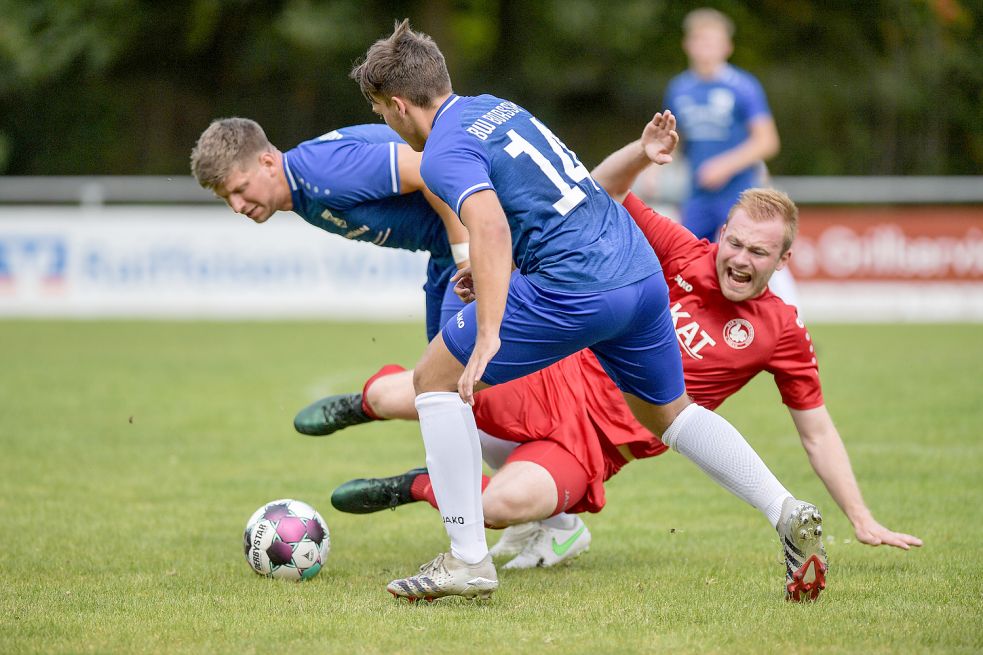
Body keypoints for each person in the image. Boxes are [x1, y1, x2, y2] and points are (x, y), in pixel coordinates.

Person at [321, 118, 921, 596]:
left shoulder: (782, 332)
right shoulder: (681, 252)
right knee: (400, 394)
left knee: (493, 507)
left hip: (594, 446)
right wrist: (641, 151)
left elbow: (816, 432)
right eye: (733, 242)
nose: (738, 258)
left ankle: (423, 486)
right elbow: (596, 194)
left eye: (757, 253)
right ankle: (363, 404)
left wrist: (861, 518)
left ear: (782, 262)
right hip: (552, 376)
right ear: (719, 235)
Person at [349, 20, 824, 603]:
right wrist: (497, 273)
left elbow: (491, 227)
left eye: (382, 114)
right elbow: (542, 203)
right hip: (638, 271)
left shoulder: (443, 150)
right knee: (670, 415)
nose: (387, 125)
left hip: (575, 286)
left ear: (399, 105)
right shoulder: (498, 108)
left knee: (432, 380)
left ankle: (467, 560)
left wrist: (491, 332)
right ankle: (783, 508)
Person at [189, 117, 469, 349]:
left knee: (450, 377)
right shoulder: (302, 187)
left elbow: (430, 167)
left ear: (268, 163)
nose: (236, 206)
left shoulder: (321, 170)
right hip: (445, 254)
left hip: (482, 234)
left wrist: (468, 259)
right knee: (439, 383)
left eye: (240, 189)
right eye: (226, 198)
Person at [663, 8, 799, 308]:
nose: (706, 48)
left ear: (727, 47)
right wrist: (650, 165)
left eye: (713, 41)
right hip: (698, 194)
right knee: (685, 261)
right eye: (700, 40)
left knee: (757, 255)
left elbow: (767, 141)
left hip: (740, 193)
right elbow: (675, 138)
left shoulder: (743, 87)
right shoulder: (679, 88)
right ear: (688, 45)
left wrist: (725, 165)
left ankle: (792, 320)